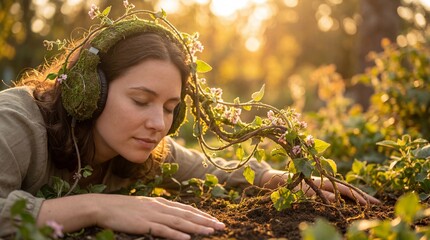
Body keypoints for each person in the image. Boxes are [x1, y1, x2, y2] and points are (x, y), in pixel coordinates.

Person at [0, 4, 379, 240]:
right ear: (89, 91)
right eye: (140, 100)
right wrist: (97, 207)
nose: (157, 124)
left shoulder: (135, 144)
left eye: (169, 107)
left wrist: (276, 178)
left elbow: (201, 166)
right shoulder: (17, 125)